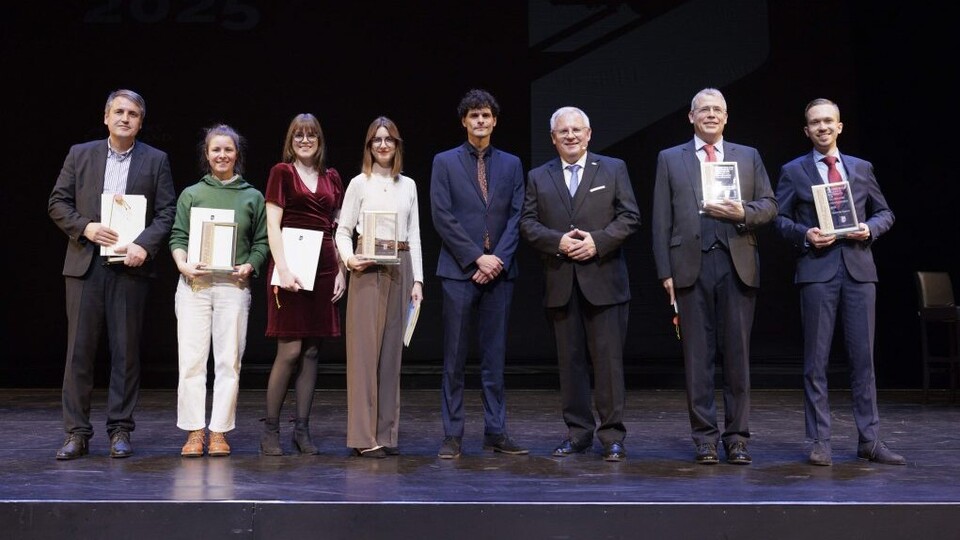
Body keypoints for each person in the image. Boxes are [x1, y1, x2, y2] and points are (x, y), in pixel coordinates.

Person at [774, 98, 905, 466]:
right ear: (806, 130)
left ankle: (870, 440)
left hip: (860, 272)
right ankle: (819, 441)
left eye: (829, 121)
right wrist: (805, 234)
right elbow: (779, 219)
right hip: (817, 271)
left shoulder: (861, 168)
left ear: (840, 126)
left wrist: (870, 228)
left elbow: (885, 212)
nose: (823, 127)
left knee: (863, 361)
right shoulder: (793, 171)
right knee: (816, 361)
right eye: (815, 122)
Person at [651, 87, 777, 466]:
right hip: (690, 266)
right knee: (697, 358)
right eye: (703, 109)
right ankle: (704, 438)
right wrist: (664, 272)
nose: (710, 115)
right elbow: (661, 220)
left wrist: (741, 212)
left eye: (717, 110)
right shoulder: (670, 159)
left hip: (737, 264)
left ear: (726, 117)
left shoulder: (747, 156)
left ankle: (737, 437)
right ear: (691, 116)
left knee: (737, 357)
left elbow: (769, 205)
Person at [48, 89, 176, 460]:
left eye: (132, 114)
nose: (125, 118)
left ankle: (120, 429)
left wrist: (144, 245)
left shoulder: (155, 160)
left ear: (140, 122)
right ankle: (76, 432)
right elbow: (57, 202)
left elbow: (166, 212)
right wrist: (85, 227)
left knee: (126, 353)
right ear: (106, 117)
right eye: (118, 111)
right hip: (86, 264)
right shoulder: (81, 153)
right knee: (79, 353)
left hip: (130, 267)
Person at [520, 106, 640, 462]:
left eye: (577, 130)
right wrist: (558, 242)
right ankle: (578, 434)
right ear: (553, 139)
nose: (570, 136)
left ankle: (612, 437)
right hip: (561, 282)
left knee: (608, 364)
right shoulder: (538, 176)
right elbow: (527, 223)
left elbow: (630, 217)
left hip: (604, 281)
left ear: (589, 134)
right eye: (563, 131)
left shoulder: (613, 168)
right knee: (570, 364)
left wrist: (597, 242)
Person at [430, 89, 527, 459]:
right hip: (458, 272)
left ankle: (495, 431)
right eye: (474, 116)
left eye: (486, 115)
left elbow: (517, 215)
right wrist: (475, 258)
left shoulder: (512, 163)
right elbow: (442, 216)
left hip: (499, 273)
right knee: (454, 357)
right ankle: (452, 434)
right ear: (464, 122)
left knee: (495, 356)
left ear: (495, 120)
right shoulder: (445, 161)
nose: (481, 121)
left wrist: (496, 259)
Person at [169, 124, 268, 457]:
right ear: (206, 154)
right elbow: (178, 237)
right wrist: (182, 264)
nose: (222, 155)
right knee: (192, 362)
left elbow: (262, 242)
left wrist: (250, 265)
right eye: (215, 150)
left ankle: (219, 431)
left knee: (229, 362)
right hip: (195, 286)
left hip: (233, 287)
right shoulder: (192, 194)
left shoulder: (252, 196)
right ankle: (195, 431)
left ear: (236, 154)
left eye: (228, 149)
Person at [335, 116, 423, 458]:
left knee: (391, 357)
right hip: (367, 269)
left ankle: (386, 434)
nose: (383, 145)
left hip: (400, 269)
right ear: (369, 146)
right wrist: (349, 259)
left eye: (388, 140)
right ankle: (362, 437)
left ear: (397, 145)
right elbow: (343, 230)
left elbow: (413, 233)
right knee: (363, 356)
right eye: (377, 140)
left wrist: (418, 279)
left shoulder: (409, 185)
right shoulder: (359, 183)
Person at [259, 114, 345, 456]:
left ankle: (302, 429)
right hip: (290, 266)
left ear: (320, 140)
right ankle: (270, 429)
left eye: (311, 135)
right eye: (299, 135)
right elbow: (272, 225)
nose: (305, 140)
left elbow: (336, 228)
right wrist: (283, 270)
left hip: (324, 267)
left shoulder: (332, 177)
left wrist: (341, 271)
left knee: (311, 351)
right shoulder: (282, 173)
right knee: (290, 350)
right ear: (290, 140)